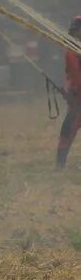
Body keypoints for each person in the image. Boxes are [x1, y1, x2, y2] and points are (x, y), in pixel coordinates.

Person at [56, 15, 81, 169]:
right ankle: (60, 164)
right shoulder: (72, 51)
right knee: (68, 130)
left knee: (68, 130)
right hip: (78, 98)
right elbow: (74, 76)